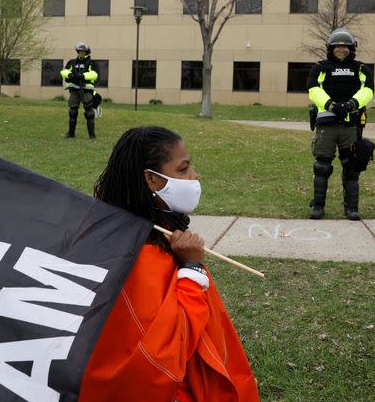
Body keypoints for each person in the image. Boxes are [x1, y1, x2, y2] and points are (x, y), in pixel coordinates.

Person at [81, 126, 259, 402]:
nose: (194, 177)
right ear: (152, 180)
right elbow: (166, 350)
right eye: (183, 169)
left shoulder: (141, 230)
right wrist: (192, 271)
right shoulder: (142, 256)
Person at [306, 28, 375, 220]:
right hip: (327, 124)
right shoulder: (320, 67)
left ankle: (351, 208)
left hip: (350, 125)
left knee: (351, 168)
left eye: (345, 46)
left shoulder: (361, 69)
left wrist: (351, 104)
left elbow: (368, 90)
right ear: (330, 48)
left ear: (352, 48)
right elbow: (313, 89)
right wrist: (331, 105)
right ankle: (318, 207)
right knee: (321, 167)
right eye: (338, 46)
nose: (341, 49)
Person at [60, 41, 98, 139]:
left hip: (86, 90)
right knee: (72, 112)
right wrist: (70, 75)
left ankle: (92, 136)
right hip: (74, 90)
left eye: (83, 51)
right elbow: (64, 71)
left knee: (89, 113)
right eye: (80, 51)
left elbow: (94, 74)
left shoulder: (91, 63)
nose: (81, 53)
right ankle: (71, 134)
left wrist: (82, 76)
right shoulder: (72, 62)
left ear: (87, 52)